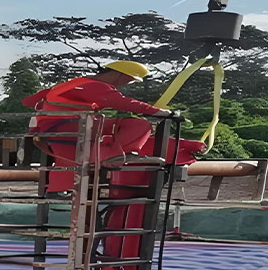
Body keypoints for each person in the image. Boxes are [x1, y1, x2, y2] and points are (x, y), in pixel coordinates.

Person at [22, 61, 203, 192]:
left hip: (63, 127)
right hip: (67, 129)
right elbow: (123, 103)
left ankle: (117, 154)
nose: (127, 84)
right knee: (139, 126)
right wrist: (161, 112)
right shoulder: (96, 87)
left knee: (132, 125)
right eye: (129, 80)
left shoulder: (77, 83)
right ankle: (118, 155)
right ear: (120, 75)